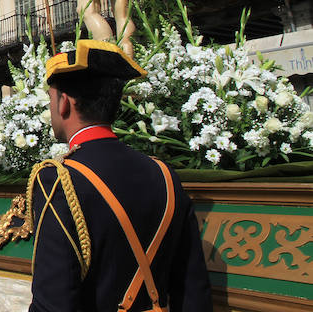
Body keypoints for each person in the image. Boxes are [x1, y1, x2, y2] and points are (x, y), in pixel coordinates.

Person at [28, 40, 211, 311]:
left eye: (51, 99)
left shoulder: (58, 179)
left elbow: (52, 302)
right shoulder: (164, 174)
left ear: (64, 103)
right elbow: (193, 290)